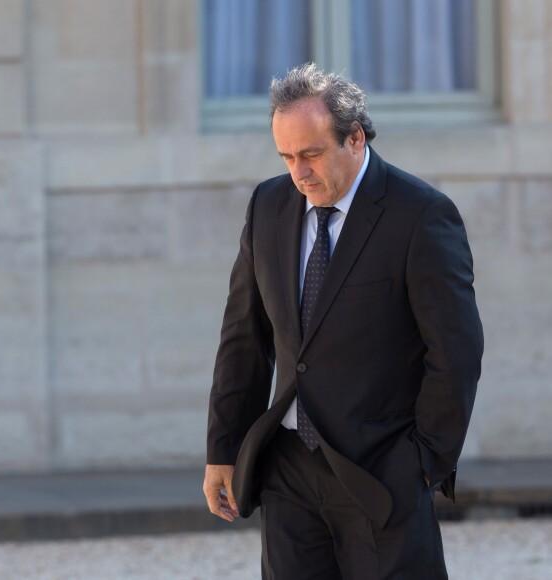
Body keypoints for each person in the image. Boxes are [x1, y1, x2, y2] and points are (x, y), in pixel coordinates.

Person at [203, 63, 483, 579]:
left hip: (381, 474)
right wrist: (223, 448)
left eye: (310, 154)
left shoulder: (420, 215)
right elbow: (244, 336)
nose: (298, 173)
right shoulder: (268, 206)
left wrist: (422, 464)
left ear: (354, 138)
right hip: (286, 469)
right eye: (286, 156)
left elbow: (455, 353)